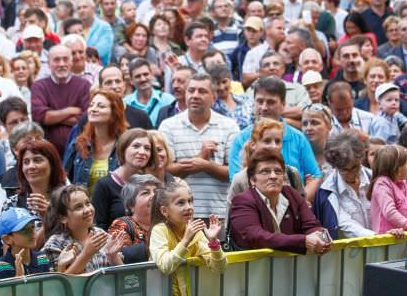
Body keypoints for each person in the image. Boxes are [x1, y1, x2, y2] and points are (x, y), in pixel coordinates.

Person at [157, 72, 240, 222]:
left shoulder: (229, 126)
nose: (195, 95)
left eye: (202, 91)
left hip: (219, 213)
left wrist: (206, 166)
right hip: (177, 215)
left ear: (214, 97)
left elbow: (235, 173)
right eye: (191, 90)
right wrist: (199, 159)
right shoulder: (168, 126)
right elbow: (164, 171)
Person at [228, 149, 330, 254]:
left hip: (290, 267)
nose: (273, 176)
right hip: (253, 268)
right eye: (265, 171)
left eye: (278, 171)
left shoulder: (291, 194)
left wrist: (319, 236)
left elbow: (311, 225)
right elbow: (256, 236)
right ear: (253, 180)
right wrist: (303, 241)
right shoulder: (242, 201)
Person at [149, 181, 226, 296]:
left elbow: (220, 268)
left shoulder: (195, 231)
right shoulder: (159, 230)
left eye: (190, 201)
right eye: (180, 203)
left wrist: (213, 242)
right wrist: (185, 241)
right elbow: (165, 266)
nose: (188, 207)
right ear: (164, 211)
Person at [0, 139, 68, 251]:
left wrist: (50, 214)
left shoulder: (67, 199)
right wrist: (48, 220)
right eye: (26, 162)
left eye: (37, 160)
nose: (31, 166)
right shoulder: (13, 204)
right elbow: (12, 254)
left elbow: (79, 236)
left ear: (52, 164)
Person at [42, 185, 123, 274]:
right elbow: (60, 284)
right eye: (78, 207)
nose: (87, 210)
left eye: (88, 203)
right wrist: (86, 255)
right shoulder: (54, 244)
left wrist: (113, 257)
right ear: (63, 218)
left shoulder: (100, 234)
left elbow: (123, 277)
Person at [227, 118, 305, 205]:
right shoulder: (240, 179)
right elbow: (231, 214)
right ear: (253, 145)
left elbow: (302, 208)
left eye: (278, 141)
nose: (274, 146)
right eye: (267, 141)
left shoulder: (292, 174)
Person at [31, 45, 90, 156]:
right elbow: (40, 116)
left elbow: (86, 118)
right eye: (56, 60)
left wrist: (53, 116)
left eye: (65, 59)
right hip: (47, 153)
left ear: (71, 62)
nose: (61, 64)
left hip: (79, 152)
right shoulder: (39, 86)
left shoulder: (84, 86)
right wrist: (71, 110)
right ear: (48, 64)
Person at [91, 128, 155, 230]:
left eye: (147, 148)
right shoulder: (104, 185)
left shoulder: (151, 184)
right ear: (123, 148)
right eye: (136, 146)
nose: (142, 152)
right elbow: (99, 226)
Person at [64, 90, 127, 190]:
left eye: (101, 106)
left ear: (114, 113)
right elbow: (63, 179)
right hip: (82, 204)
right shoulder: (78, 144)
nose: (93, 109)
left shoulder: (126, 145)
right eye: (91, 105)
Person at [316, 133, 372, 238]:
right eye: (345, 169)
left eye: (355, 167)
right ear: (334, 166)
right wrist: (378, 237)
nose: (351, 173)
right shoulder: (327, 191)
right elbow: (345, 225)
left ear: (361, 159)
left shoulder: (374, 178)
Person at [106, 174, 160, 264]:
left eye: (156, 192)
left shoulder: (168, 223)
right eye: (145, 193)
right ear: (131, 205)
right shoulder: (122, 225)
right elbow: (120, 264)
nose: (154, 196)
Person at [0, 208, 54, 279]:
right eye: (24, 230)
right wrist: (18, 280)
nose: (32, 232)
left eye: (32, 226)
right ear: (7, 239)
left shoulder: (43, 259)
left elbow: (53, 287)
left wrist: (60, 267)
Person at [301, 104, 333, 174]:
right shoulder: (297, 158)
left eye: (315, 123)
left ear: (329, 126)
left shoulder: (340, 157)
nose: (308, 128)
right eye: (305, 124)